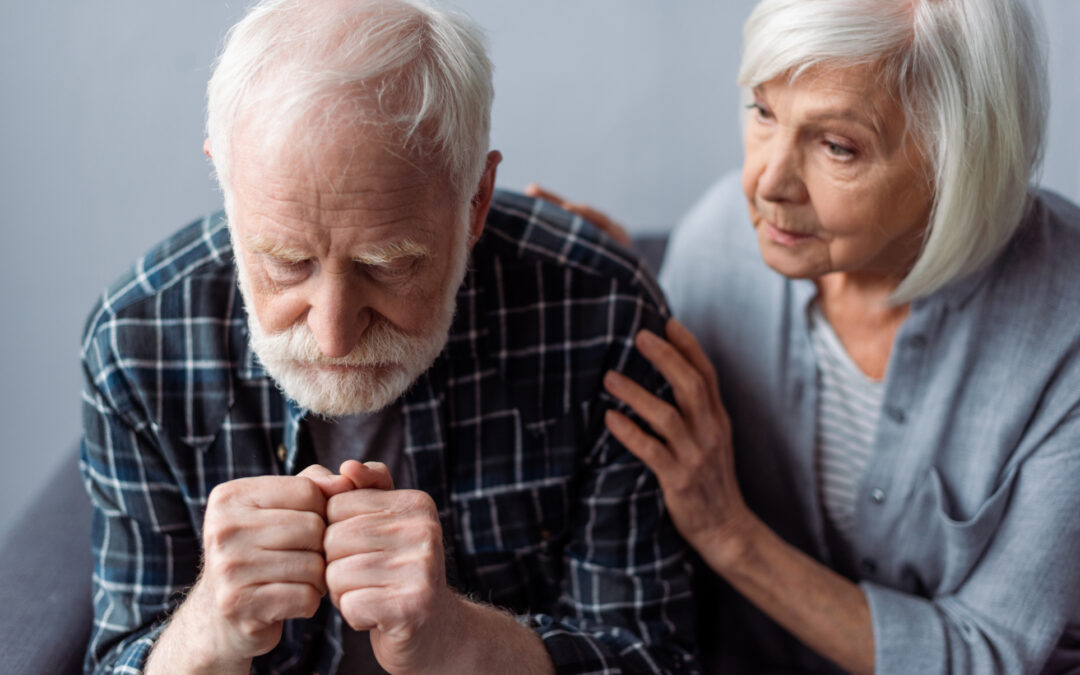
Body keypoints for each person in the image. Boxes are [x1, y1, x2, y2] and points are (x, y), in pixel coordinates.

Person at [78, 1, 698, 673]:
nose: (334, 335)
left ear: (476, 200)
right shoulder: (136, 342)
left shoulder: (600, 315)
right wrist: (205, 633)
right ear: (226, 186)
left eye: (389, 264)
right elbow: (115, 652)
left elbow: (655, 658)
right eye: (286, 262)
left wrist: (461, 641)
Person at [534, 0, 1080, 672]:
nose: (764, 183)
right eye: (763, 112)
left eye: (836, 146)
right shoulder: (717, 243)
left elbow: (992, 654)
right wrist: (620, 289)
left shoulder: (1066, 330)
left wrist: (730, 535)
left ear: (961, 156)